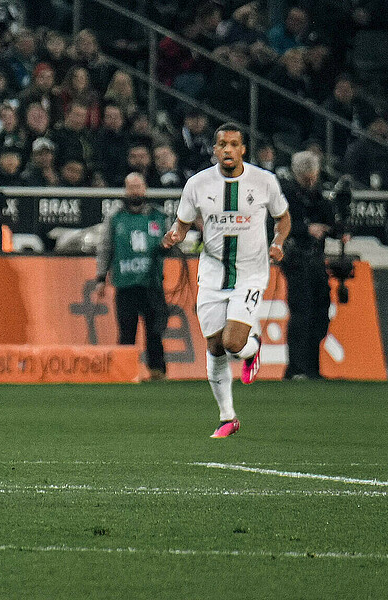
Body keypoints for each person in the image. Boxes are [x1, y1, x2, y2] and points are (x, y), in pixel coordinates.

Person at [163, 123, 291, 438]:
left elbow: (283, 218)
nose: (228, 150)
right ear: (216, 149)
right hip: (211, 274)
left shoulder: (264, 182)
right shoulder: (197, 184)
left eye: (234, 144)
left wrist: (278, 243)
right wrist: (175, 235)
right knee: (214, 346)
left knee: (233, 343)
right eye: (223, 144)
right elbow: (183, 222)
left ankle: (251, 348)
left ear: (243, 149)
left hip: (250, 274)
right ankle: (227, 417)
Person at [95, 173, 170, 380]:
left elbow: (171, 244)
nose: (135, 191)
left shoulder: (158, 216)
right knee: (127, 330)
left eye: (138, 187)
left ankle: (157, 371)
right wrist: (101, 277)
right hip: (125, 283)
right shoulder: (115, 217)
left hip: (151, 282)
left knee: (155, 331)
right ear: (125, 190)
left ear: (145, 189)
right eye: (131, 187)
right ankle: (125, 371)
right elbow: (105, 247)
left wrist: (168, 246)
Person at [279, 151, 344, 380]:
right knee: (301, 313)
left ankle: (312, 367)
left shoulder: (319, 197)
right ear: (297, 174)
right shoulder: (286, 196)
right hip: (296, 260)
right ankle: (296, 368)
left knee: (320, 313)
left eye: (312, 175)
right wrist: (305, 229)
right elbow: (277, 225)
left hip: (317, 262)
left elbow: (332, 223)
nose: (309, 180)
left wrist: (339, 230)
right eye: (305, 176)